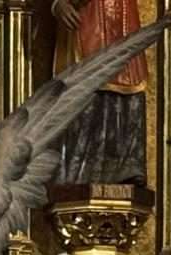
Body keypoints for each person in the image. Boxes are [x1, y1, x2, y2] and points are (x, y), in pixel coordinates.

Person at [51, 0, 149, 185]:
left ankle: (124, 164)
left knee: (127, 82)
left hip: (122, 19)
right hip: (84, 18)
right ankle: (82, 168)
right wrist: (57, 3)